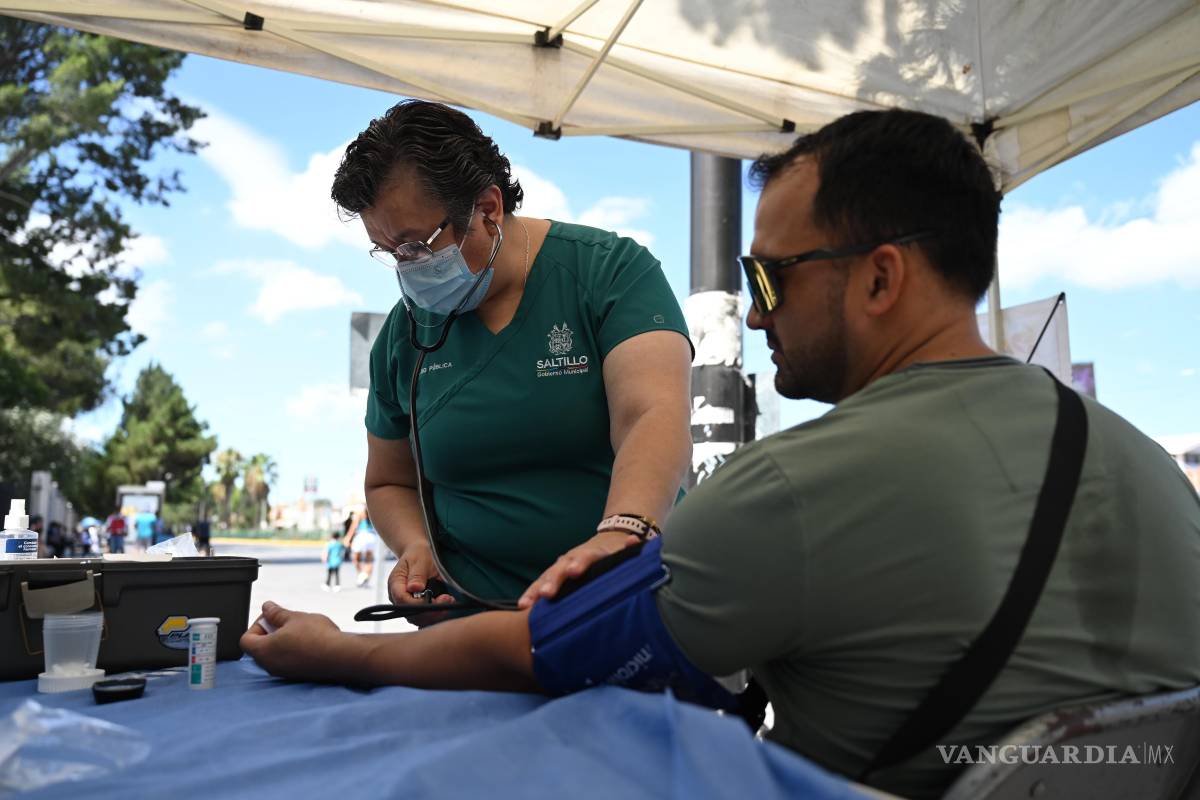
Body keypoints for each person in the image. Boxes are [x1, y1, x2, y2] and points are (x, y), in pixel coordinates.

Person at [243, 109, 1200, 798]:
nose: (755, 315)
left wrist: (342, 652)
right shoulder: (1148, 467)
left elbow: (547, 649)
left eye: (770, 279)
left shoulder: (789, 491)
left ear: (880, 279)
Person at [332, 100, 693, 614]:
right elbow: (389, 480)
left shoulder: (609, 272)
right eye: (388, 252)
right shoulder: (402, 336)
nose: (406, 268)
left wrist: (623, 533)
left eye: (415, 245)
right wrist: (415, 546)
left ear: (488, 208)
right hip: (470, 618)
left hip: (623, 601)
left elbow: (651, 415)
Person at [344, 510, 380, 588]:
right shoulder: (375, 513)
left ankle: (361, 575)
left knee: (356, 558)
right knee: (369, 560)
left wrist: (348, 537)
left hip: (361, 536)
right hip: (372, 536)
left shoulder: (360, 514)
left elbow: (353, 527)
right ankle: (365, 577)